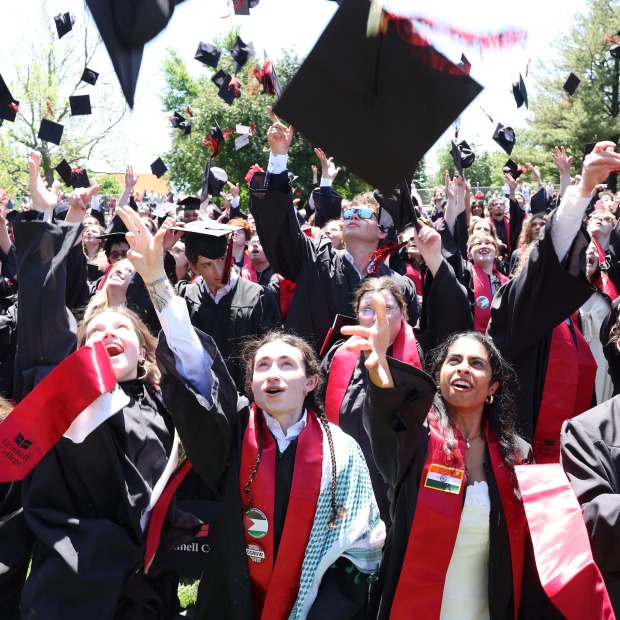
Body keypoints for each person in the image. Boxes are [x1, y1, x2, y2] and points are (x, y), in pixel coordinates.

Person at [116, 205, 386, 619]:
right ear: (251, 381)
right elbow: (192, 362)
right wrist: (156, 279)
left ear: (311, 381)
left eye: (286, 365)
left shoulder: (342, 452)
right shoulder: (236, 431)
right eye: (262, 366)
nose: (272, 374)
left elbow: (361, 549)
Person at [17, 152, 183, 618]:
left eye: (122, 330)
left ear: (145, 352)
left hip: (147, 593)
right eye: (96, 332)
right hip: (74, 580)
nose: (108, 334)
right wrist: (55, 217)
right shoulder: (68, 398)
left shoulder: (168, 410)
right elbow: (46, 325)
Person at [342, 297, 531, 619]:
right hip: (417, 606)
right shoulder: (416, 438)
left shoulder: (517, 454)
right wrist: (380, 371)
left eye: (477, 363)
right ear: (439, 376)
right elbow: (385, 422)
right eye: (453, 360)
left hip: (488, 608)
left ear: (492, 388)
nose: (463, 368)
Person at [488, 141, 620, 462]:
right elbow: (550, 253)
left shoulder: (575, 313)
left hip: (572, 454)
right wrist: (583, 189)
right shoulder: (517, 305)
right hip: (521, 456)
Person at [250, 107, 419, 353]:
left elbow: (408, 346)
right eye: (348, 213)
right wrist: (278, 158)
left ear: (382, 231)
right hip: (314, 384)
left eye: (362, 213)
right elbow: (280, 229)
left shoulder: (399, 286)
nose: (352, 217)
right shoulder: (315, 258)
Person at [177, 220, 281, 392]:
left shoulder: (259, 297)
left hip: (245, 400)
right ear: (194, 268)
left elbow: (271, 354)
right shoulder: (186, 297)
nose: (219, 271)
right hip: (199, 399)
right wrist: (161, 251)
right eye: (207, 264)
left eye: (222, 259)